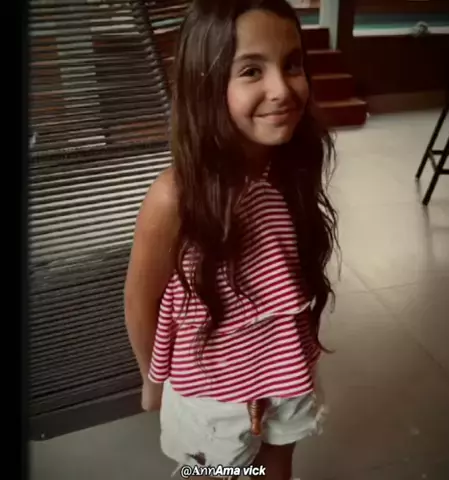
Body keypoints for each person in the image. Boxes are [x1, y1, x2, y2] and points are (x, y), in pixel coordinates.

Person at [124, 1, 338, 478]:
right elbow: (140, 299)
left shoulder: (289, 168)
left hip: (285, 368)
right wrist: (151, 379)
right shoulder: (174, 197)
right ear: (206, 84)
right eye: (251, 70)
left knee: (277, 465)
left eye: (292, 65)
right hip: (212, 392)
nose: (282, 89)